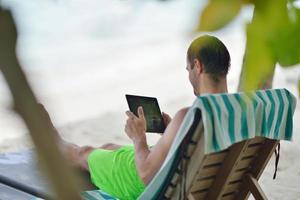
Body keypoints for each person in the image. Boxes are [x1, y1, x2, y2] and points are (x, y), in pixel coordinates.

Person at [41, 35, 231, 199]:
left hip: (152, 183)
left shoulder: (190, 115)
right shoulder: (238, 114)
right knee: (108, 147)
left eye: (188, 69)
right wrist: (173, 132)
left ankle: (52, 142)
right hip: (201, 181)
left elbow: (146, 175)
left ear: (197, 65)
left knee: (83, 153)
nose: (189, 76)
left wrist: (138, 138)